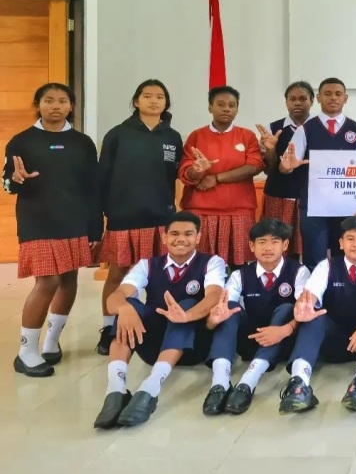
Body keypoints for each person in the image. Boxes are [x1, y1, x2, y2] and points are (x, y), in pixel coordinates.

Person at [93, 212, 227, 428]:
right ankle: (115, 389)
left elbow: (214, 296)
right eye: (174, 234)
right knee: (129, 305)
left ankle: (150, 388)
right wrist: (124, 308)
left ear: (198, 237)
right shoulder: (147, 264)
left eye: (188, 234)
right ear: (164, 237)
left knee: (186, 304)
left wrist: (186, 316)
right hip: (153, 349)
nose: (181, 239)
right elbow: (114, 298)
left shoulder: (211, 262)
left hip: (193, 345)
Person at [4, 83, 101, 377]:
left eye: (62, 101)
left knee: (69, 280)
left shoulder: (82, 142)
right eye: (48, 100)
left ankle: (51, 341)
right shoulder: (22, 141)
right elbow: (7, 183)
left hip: (74, 221)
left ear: (71, 106)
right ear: (38, 104)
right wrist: (15, 180)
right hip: (38, 221)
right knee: (47, 281)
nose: (55, 106)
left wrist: (95, 229)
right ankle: (26, 351)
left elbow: (92, 187)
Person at [95, 80, 183, 356]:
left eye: (160, 97)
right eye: (147, 96)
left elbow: (175, 175)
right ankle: (109, 328)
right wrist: (104, 213)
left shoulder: (173, 137)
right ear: (136, 101)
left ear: (166, 103)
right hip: (124, 217)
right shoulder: (118, 134)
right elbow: (102, 177)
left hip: (161, 219)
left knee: (161, 276)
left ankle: (158, 325)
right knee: (118, 274)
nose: (154, 101)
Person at [278, 215, 356, 414]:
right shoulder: (326, 266)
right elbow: (311, 293)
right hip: (334, 340)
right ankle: (298, 384)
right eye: (350, 239)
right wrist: (305, 307)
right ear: (341, 243)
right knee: (314, 316)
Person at [202, 218, 307, 416]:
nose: (268, 248)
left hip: (284, 340)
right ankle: (219, 384)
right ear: (252, 246)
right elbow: (221, 311)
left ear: (285, 245)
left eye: (274, 242)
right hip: (251, 340)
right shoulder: (239, 275)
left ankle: (247, 384)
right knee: (229, 308)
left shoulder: (299, 272)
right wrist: (212, 321)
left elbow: (305, 309)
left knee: (288, 308)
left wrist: (284, 330)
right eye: (262, 242)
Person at [277, 78, 356, 269]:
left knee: (345, 257)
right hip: (314, 205)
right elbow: (286, 166)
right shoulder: (305, 129)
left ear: (345, 98)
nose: (333, 98)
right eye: (327, 94)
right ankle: (315, 289)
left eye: (338, 94)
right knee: (314, 259)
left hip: (346, 205)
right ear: (319, 98)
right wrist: (287, 167)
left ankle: (342, 289)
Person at [179, 86, 264, 267]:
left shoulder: (247, 136)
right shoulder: (196, 136)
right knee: (200, 265)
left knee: (239, 266)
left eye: (232, 105)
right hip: (201, 211)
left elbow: (254, 166)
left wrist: (216, 178)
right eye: (221, 104)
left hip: (238, 211)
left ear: (237, 109)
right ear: (210, 107)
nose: (226, 109)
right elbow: (185, 172)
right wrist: (197, 170)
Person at [257, 81, 314, 260]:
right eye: (292, 99)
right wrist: (271, 150)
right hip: (279, 196)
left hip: (311, 198)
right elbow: (268, 169)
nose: (297, 103)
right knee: (278, 245)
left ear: (312, 101)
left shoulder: (319, 127)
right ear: (286, 102)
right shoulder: (273, 129)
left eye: (303, 99)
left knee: (310, 247)